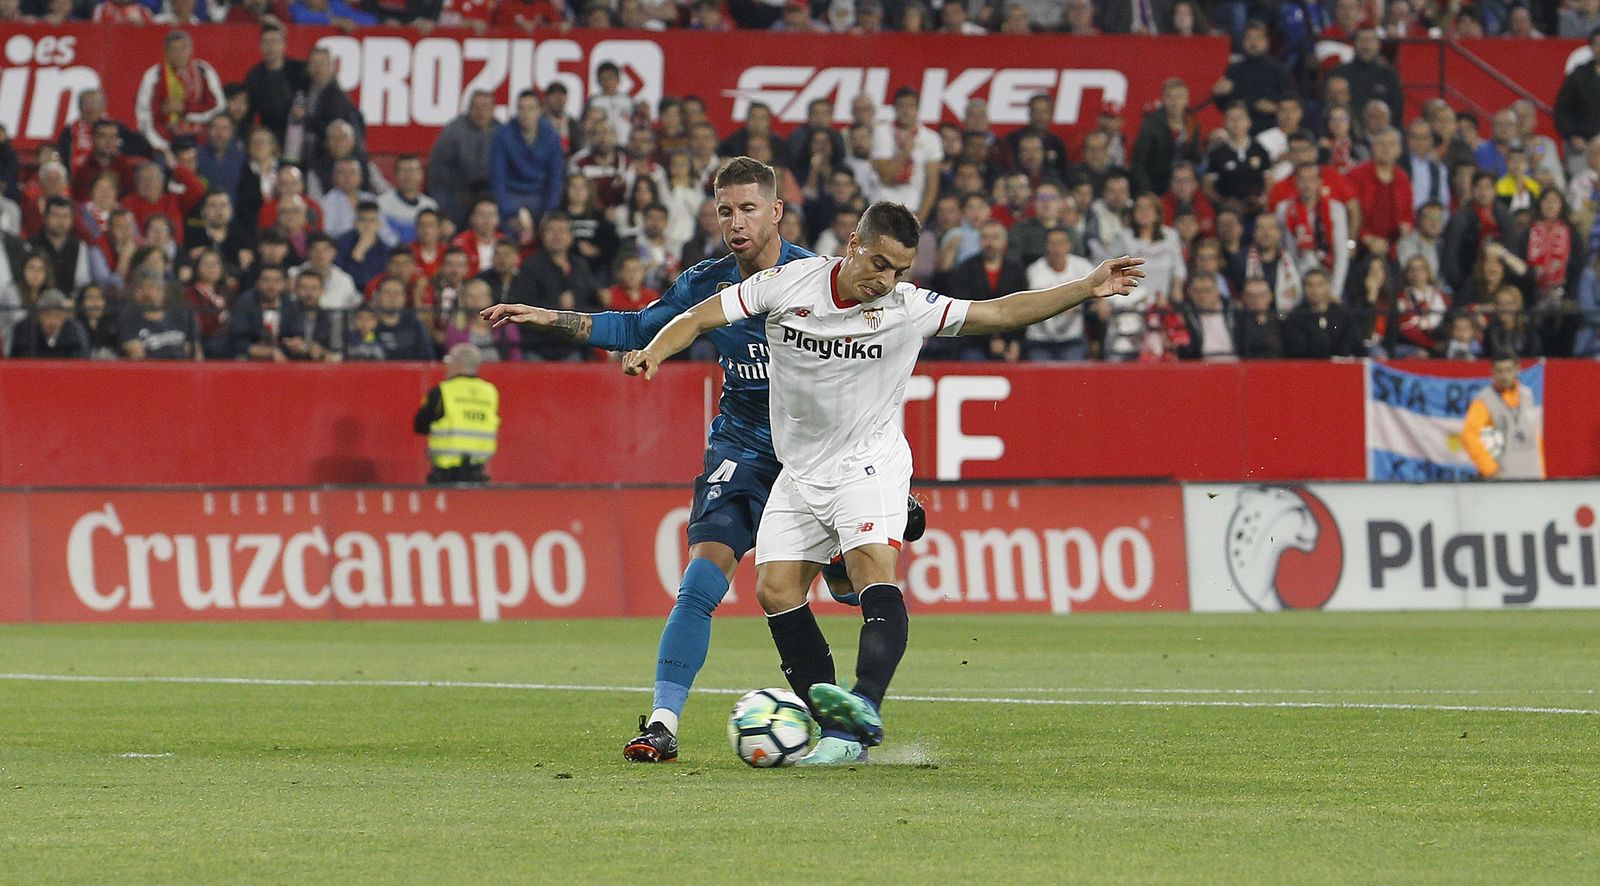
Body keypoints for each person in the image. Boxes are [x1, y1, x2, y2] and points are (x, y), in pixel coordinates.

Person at [613, 201, 1141, 765]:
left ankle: (860, 714)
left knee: (869, 568)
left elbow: (1000, 313)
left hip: (869, 462)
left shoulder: (907, 309)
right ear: (853, 245)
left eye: (900, 271)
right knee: (775, 591)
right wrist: (654, 352)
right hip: (801, 470)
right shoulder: (786, 284)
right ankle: (832, 725)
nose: (886, 280)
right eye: (880, 263)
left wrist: (1086, 287)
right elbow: (698, 318)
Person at [482, 158, 926, 764]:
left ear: (776, 211)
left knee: (852, 586)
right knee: (702, 579)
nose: (736, 222)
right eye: (725, 211)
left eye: (748, 209)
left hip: (828, 458)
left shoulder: (823, 277)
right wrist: (547, 319)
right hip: (744, 448)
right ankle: (664, 722)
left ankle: (865, 560)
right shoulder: (707, 284)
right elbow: (639, 325)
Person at [413, 342, 500, 484]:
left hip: (445, 477)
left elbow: (420, 425)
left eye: (448, 360)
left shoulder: (441, 391)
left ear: (457, 364)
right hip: (477, 476)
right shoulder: (490, 392)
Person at [134, 31, 225, 161]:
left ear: (191, 49)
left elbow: (219, 108)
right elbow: (143, 115)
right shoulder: (155, 75)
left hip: (202, 142)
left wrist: (186, 108)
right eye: (173, 49)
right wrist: (162, 147)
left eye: (183, 48)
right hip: (165, 142)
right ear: (166, 52)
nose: (179, 54)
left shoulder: (204, 70)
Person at [489, 90, 564, 234]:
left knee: (550, 228)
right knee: (509, 225)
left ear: (540, 110)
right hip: (512, 192)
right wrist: (511, 212)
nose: (525, 113)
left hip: (540, 193)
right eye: (521, 108)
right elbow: (498, 178)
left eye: (530, 108)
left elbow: (555, 178)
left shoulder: (552, 137)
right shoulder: (502, 135)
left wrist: (550, 212)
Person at [1461, 354, 1545, 481]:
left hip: (1532, 474)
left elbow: (1534, 436)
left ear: (1517, 369)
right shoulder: (1485, 400)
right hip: (1503, 479)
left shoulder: (1527, 394)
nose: (1504, 376)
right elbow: (1469, 435)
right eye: (1499, 371)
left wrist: (1541, 471)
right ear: (1492, 372)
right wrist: (1489, 468)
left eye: (1508, 370)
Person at [428, 91, 497, 228]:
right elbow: (438, 173)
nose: (480, 112)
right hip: (457, 192)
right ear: (468, 108)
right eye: (476, 107)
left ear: (493, 110)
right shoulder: (453, 131)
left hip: (491, 192)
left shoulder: (502, 132)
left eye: (485, 107)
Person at [8, 289, 89, 358]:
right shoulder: (23, 330)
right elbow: (16, 362)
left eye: (58, 315)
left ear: (64, 316)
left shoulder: (76, 331)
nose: (52, 321)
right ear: (38, 315)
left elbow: (82, 361)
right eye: (47, 315)